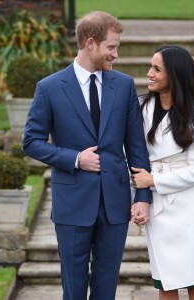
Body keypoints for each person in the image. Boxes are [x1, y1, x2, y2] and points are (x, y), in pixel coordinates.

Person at [23, 11, 151, 300]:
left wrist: (143, 197)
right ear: (90, 43)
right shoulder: (50, 88)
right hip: (72, 203)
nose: (116, 54)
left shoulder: (124, 85)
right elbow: (31, 142)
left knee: (107, 288)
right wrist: (75, 159)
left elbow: (136, 146)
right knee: (74, 287)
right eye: (111, 47)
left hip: (115, 203)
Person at [131, 45, 194, 300]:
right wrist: (138, 196)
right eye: (150, 67)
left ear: (174, 75)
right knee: (165, 282)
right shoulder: (140, 107)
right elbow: (132, 154)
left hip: (191, 206)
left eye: (156, 69)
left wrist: (153, 180)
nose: (149, 74)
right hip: (159, 207)